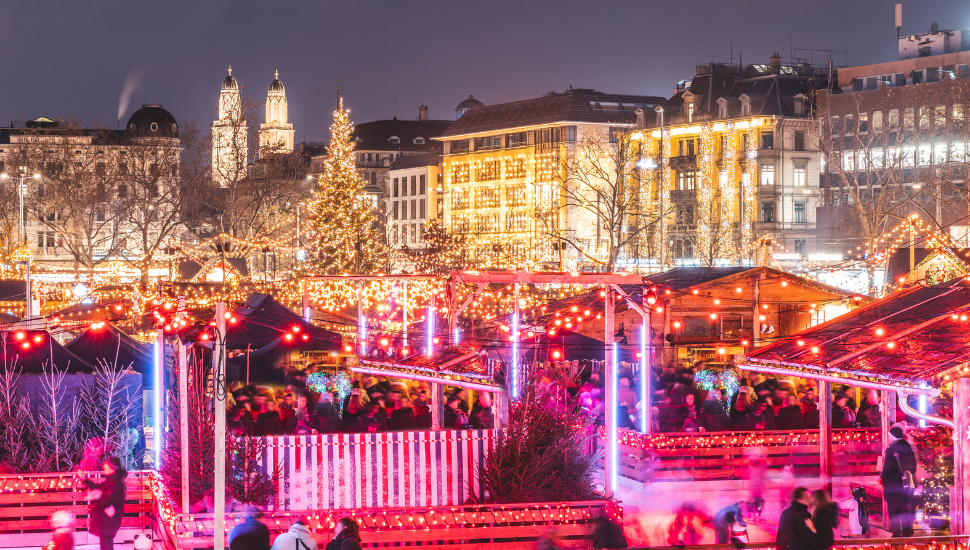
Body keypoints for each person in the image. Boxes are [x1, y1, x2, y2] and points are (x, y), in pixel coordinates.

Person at [80, 456, 127, 550]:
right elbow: (100, 488)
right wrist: (85, 480)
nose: (103, 466)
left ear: (112, 468)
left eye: (106, 464)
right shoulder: (112, 480)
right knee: (106, 543)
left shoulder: (115, 483)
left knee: (106, 545)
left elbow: (105, 502)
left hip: (109, 521)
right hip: (108, 521)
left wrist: (95, 496)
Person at [881, 425, 917, 537]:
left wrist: (883, 478)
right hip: (906, 487)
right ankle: (906, 535)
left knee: (894, 512)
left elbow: (887, 469)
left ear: (892, 437)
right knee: (905, 510)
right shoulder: (909, 449)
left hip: (893, 487)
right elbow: (913, 469)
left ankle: (896, 536)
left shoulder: (891, 451)